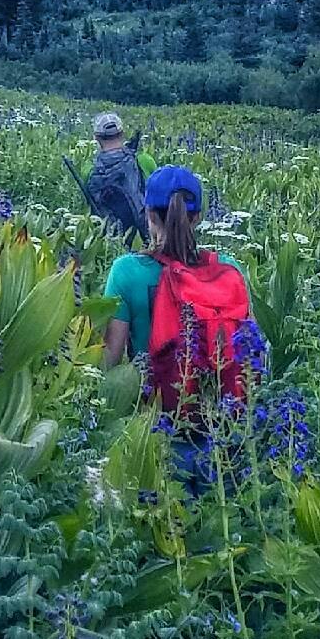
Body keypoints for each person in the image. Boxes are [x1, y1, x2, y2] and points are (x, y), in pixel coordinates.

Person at [102, 165, 257, 420]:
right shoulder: (228, 268)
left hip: (153, 425)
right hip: (224, 427)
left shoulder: (126, 271)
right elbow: (251, 347)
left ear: (149, 214)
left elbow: (110, 359)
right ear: (197, 217)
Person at [80, 111, 148, 244]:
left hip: (107, 242)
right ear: (122, 134)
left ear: (96, 138)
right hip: (145, 238)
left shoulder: (88, 170)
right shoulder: (143, 160)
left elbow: (88, 208)